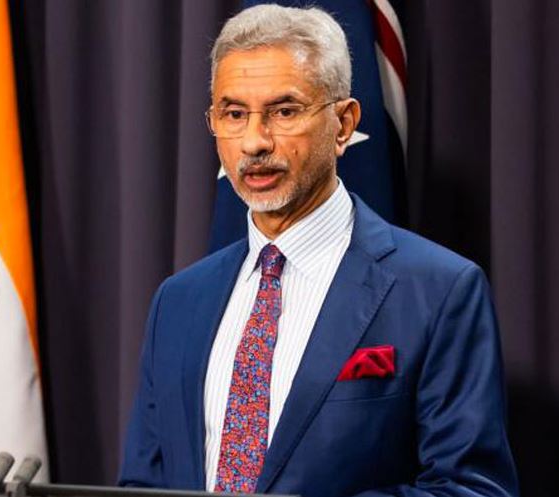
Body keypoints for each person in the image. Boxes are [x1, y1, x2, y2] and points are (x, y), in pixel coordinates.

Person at [119, 4, 518, 497]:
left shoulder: (439, 291)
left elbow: (471, 489)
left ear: (344, 124)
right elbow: (142, 484)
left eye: (284, 111)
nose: (254, 142)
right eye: (234, 114)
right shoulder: (177, 302)